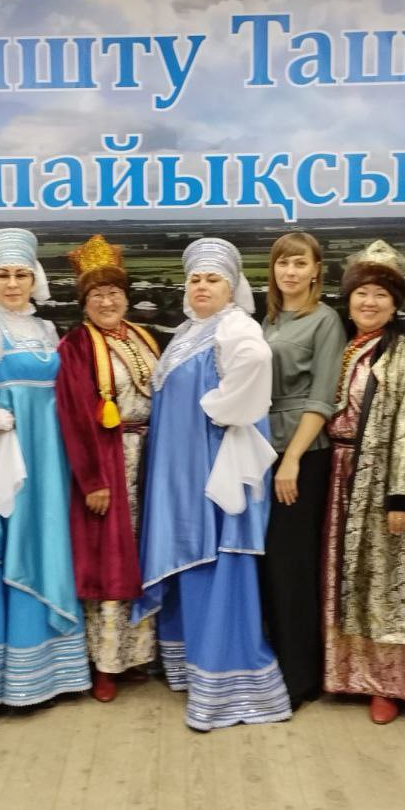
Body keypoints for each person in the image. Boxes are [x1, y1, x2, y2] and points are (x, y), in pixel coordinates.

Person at [135, 237, 291, 730]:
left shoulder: (234, 326)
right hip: (179, 471)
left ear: (232, 287)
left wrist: (219, 409)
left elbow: (256, 363)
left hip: (210, 468)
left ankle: (226, 682)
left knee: (214, 559)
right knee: (192, 559)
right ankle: (191, 665)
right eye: (195, 280)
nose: (202, 287)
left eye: (213, 280)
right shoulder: (190, 331)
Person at [0, 228, 90, 711]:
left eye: (21, 274)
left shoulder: (44, 329)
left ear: (34, 279)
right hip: (13, 455)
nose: (11, 284)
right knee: (15, 540)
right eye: (2, 275)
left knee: (48, 535)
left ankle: (53, 670)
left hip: (51, 453)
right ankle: (11, 676)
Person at [320, 241, 405, 724]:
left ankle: (387, 684)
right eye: (361, 293)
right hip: (335, 472)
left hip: (378, 476)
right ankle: (343, 673)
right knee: (341, 576)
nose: (369, 303)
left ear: (395, 303)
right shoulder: (340, 343)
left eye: (380, 295)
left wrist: (402, 496)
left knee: (384, 579)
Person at [56, 234, 160, 703]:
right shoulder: (77, 345)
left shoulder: (140, 336)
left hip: (147, 457)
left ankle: (137, 656)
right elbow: (76, 416)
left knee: (142, 553)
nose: (107, 301)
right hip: (109, 460)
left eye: (114, 292)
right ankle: (104, 663)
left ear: (126, 296)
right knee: (108, 560)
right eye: (97, 294)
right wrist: (93, 480)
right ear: (84, 302)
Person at [260, 231, 347, 709]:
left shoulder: (324, 320)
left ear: (316, 271)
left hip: (301, 453)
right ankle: (273, 662)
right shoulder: (270, 320)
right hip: (262, 447)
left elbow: (322, 396)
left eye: (300, 263)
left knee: (292, 565)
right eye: (283, 263)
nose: (290, 272)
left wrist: (292, 459)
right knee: (269, 564)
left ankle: (301, 678)